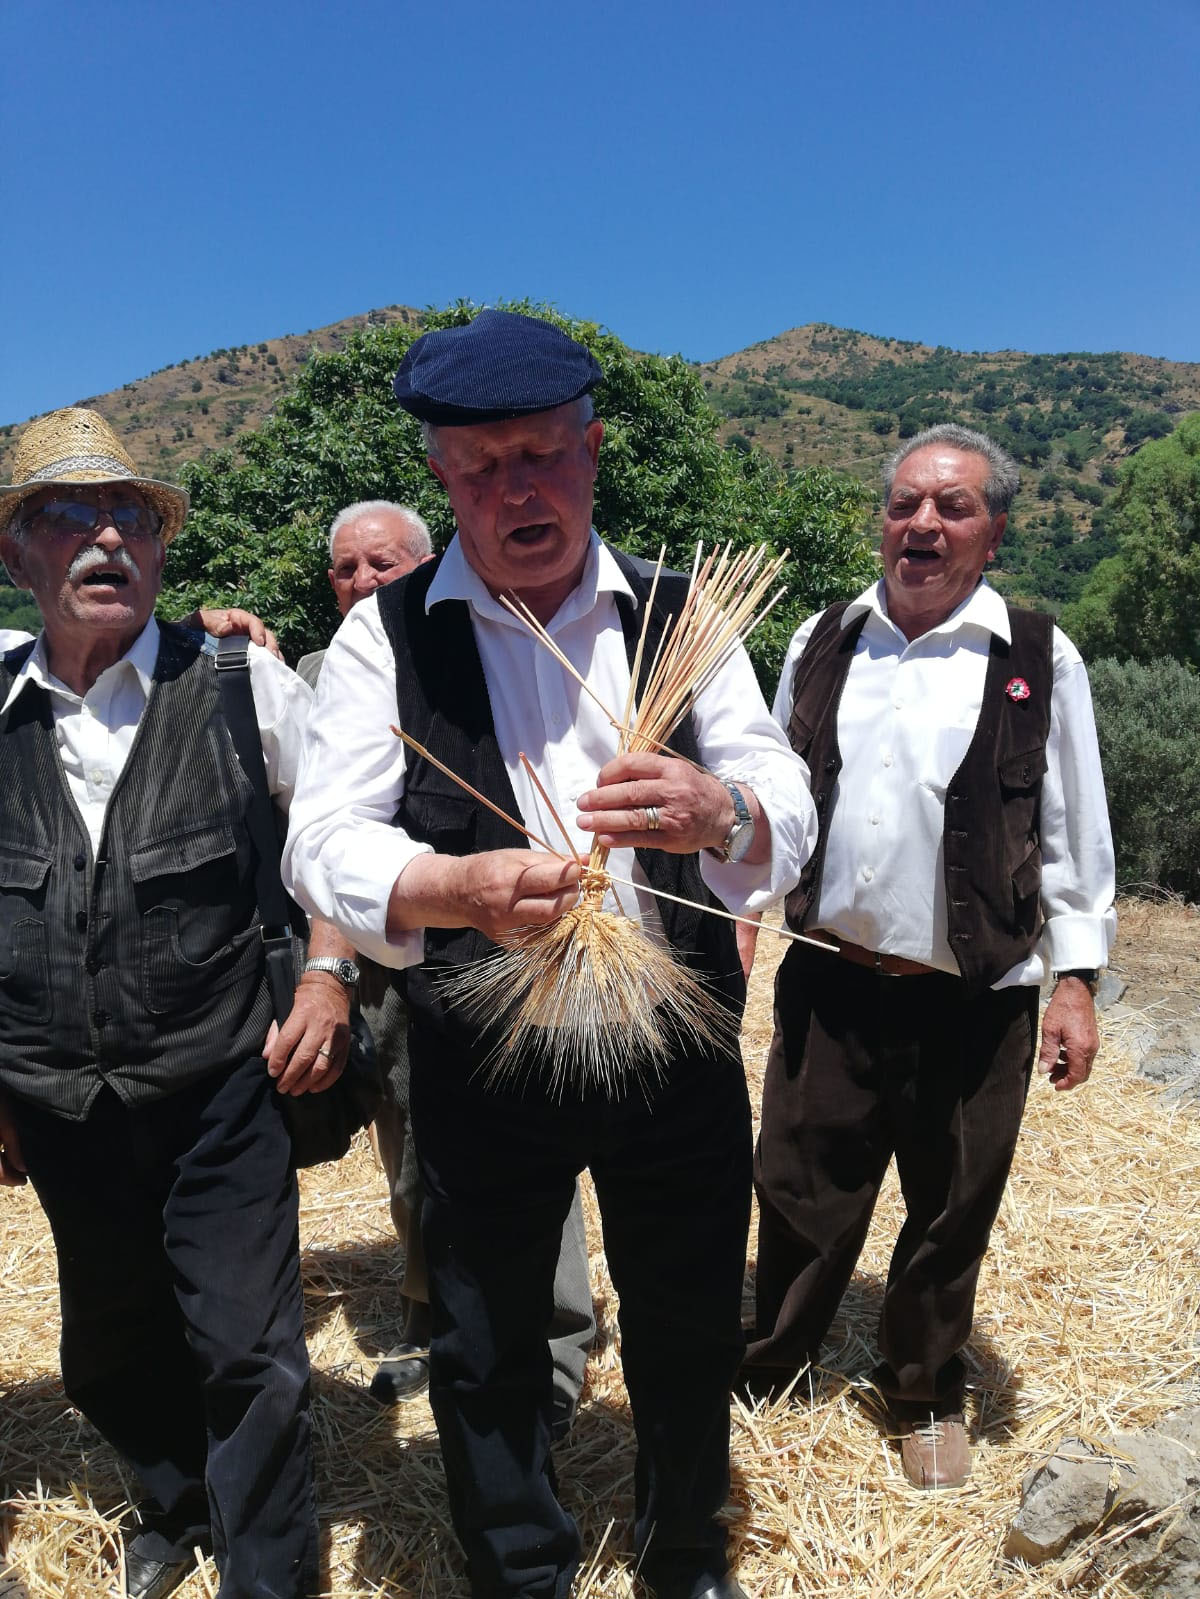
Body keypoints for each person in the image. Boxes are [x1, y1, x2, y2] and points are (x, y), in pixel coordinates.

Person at [283, 309, 816, 1599]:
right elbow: (319, 842)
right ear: (441, 477)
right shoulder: (386, 635)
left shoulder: (685, 613)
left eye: (542, 456)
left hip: (671, 1041)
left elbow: (783, 797)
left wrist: (724, 812)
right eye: (481, 468)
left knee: (688, 1317)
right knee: (485, 1333)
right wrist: (444, 885)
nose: (517, 489)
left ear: (590, 450)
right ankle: (519, 1562)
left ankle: (686, 1551)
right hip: (480, 1047)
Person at [0, 407, 357, 1599]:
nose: (105, 539)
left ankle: (270, 1574)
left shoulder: (241, 681)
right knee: (107, 1344)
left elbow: (334, 840)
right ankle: (173, 1499)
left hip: (218, 1080)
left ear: (159, 548)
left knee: (253, 1351)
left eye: (130, 518)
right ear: (18, 557)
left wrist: (325, 971)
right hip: (55, 1093)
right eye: (66, 516)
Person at [743, 423, 1116, 1489]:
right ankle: (772, 1361)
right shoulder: (823, 637)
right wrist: (743, 909)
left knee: (951, 1202)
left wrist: (1076, 983)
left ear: (993, 532)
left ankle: (923, 1389)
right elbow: (777, 803)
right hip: (829, 980)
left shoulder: (1039, 657)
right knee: (800, 1184)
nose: (922, 525)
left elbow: (1074, 829)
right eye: (906, 504)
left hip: (974, 996)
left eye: (952, 508)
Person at [297, 500, 597, 1419]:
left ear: (430, 565)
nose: (361, 583)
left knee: (523, 1142)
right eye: (345, 569)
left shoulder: (470, 650)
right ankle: (443, 1323)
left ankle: (556, 1340)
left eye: (381, 565)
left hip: (494, 950)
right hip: (384, 966)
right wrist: (335, 970)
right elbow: (322, 843)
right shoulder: (317, 672)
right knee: (413, 1151)